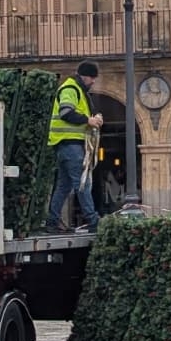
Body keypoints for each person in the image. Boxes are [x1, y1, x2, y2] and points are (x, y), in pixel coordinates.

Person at [45, 61, 104, 233]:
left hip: (65, 144)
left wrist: (93, 118)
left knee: (64, 185)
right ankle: (93, 220)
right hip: (70, 144)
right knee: (82, 183)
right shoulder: (71, 89)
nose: (93, 81)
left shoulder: (75, 89)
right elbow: (66, 112)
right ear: (84, 76)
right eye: (92, 78)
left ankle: (52, 221)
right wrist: (89, 120)